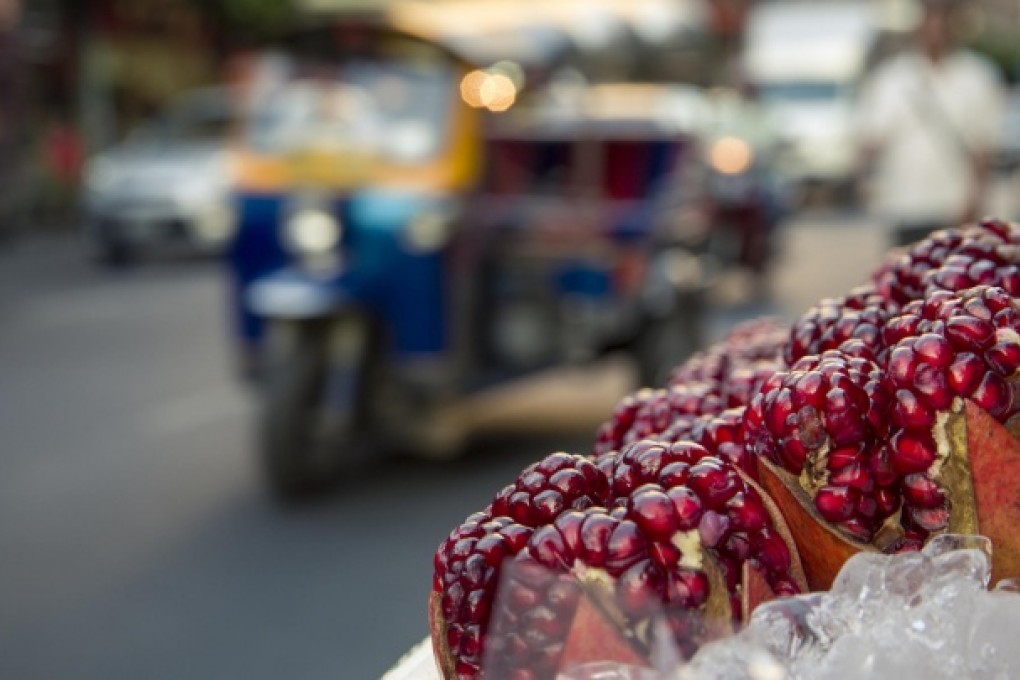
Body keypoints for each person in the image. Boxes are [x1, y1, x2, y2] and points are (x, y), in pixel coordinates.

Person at [855, 0, 1006, 246]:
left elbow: (984, 147)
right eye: (930, 20)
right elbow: (872, 137)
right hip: (904, 206)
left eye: (942, 21)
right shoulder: (893, 77)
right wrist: (864, 177)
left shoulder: (977, 77)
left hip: (955, 208)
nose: (936, 30)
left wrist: (974, 199)